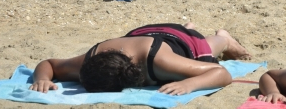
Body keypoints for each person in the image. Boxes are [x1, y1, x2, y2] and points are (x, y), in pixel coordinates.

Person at [30, 22, 251, 95]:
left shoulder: (159, 63)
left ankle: (223, 38)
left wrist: (189, 83)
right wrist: (41, 78)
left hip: (176, 41)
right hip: (142, 33)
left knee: (206, 51)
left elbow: (222, 74)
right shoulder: (89, 61)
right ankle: (187, 25)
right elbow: (48, 64)